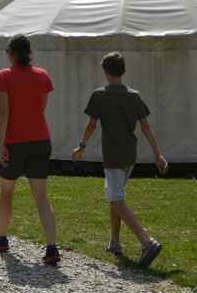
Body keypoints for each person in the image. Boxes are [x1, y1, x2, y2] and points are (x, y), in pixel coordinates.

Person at [72, 52, 168, 269]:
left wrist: (81, 146)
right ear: (122, 70)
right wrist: (157, 154)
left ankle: (147, 242)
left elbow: (92, 125)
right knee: (116, 197)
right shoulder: (134, 96)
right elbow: (145, 127)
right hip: (129, 154)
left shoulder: (100, 95)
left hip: (113, 155)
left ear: (105, 71)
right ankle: (115, 242)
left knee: (116, 199)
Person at [0, 34, 61, 266]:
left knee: (7, 191)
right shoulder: (42, 76)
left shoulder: (4, 76)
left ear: (11, 53)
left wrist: (1, 144)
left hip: (14, 142)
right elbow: (42, 108)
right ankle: (51, 246)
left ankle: (1, 237)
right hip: (40, 140)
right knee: (40, 196)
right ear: (29, 53)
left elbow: (3, 112)